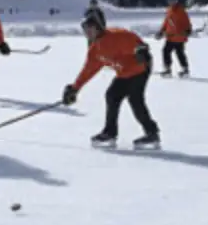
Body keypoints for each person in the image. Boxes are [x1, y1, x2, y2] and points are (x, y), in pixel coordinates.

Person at [62, 16, 159, 148]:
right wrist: (75, 88)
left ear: (98, 27)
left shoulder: (117, 36)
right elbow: (88, 70)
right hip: (124, 73)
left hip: (140, 68)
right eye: (85, 30)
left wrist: (142, 50)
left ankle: (152, 134)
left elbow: (135, 42)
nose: (88, 33)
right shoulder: (95, 50)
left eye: (90, 28)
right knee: (112, 95)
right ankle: (110, 133)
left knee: (135, 99)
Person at [156, 0, 192, 76]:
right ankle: (168, 69)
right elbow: (166, 22)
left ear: (176, 1)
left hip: (179, 36)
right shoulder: (169, 10)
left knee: (179, 52)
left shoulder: (181, 11)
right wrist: (161, 31)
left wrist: (188, 30)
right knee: (166, 51)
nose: (171, 2)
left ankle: (184, 69)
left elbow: (187, 22)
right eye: (170, 0)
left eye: (173, 0)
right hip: (170, 37)